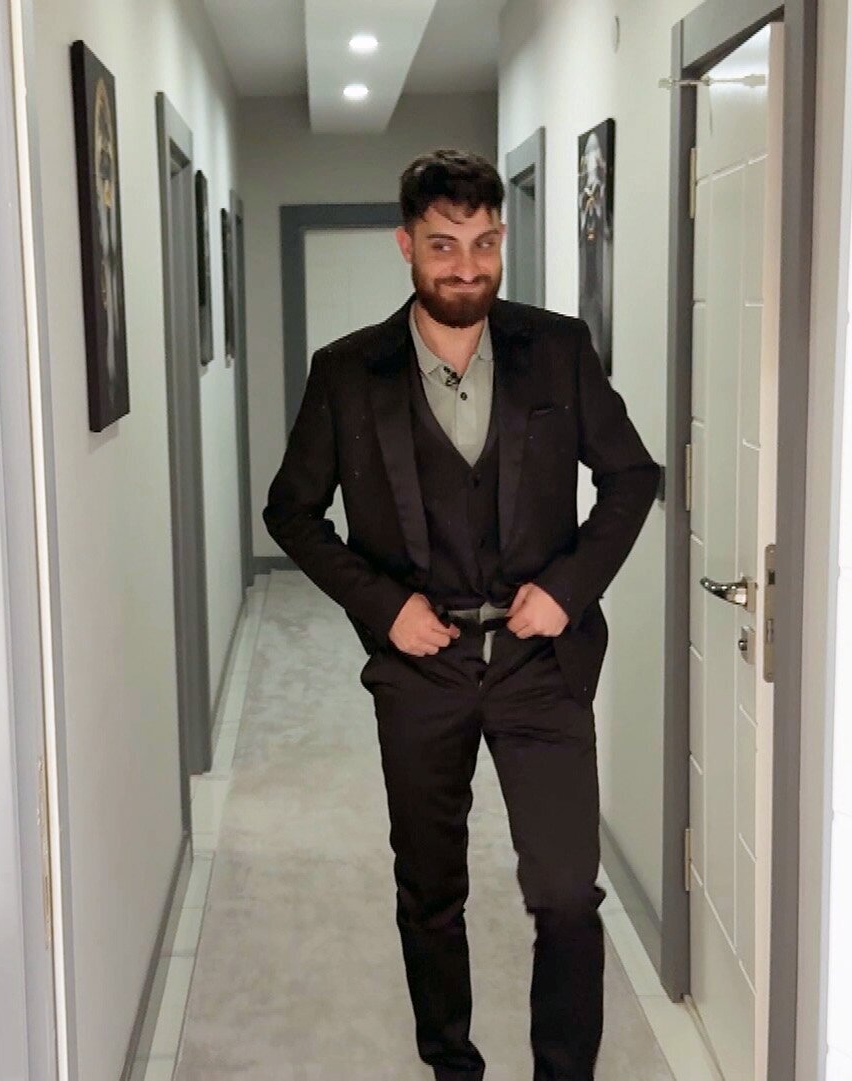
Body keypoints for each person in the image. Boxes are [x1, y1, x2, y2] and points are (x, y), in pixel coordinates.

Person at [263, 148, 661, 1081]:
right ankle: (452, 1065)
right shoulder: (346, 371)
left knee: (565, 893)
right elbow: (291, 512)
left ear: (501, 238)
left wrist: (568, 587)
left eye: (484, 243)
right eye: (443, 244)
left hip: (539, 663)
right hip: (420, 667)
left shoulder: (555, 347)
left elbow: (631, 475)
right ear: (406, 244)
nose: (466, 267)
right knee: (429, 888)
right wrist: (384, 606)